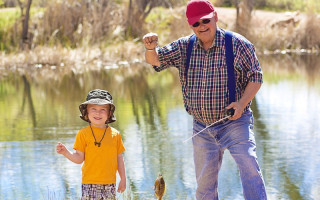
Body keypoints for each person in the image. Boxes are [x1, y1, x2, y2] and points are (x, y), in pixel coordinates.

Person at [142, 0, 267, 199]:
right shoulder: (185, 46)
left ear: (215, 17)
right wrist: (150, 48)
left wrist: (242, 104)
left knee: (249, 167)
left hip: (235, 123)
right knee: (204, 186)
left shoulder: (238, 44)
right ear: (190, 25)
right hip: (201, 128)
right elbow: (156, 60)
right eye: (196, 24)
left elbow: (256, 76)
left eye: (205, 21)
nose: (201, 26)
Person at [56, 89, 126, 200]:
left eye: (103, 109)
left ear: (109, 114)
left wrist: (123, 179)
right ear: (87, 113)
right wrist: (66, 152)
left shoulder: (115, 135)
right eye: (93, 109)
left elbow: (119, 158)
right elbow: (79, 158)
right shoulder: (83, 134)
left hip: (110, 183)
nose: (98, 113)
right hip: (89, 183)